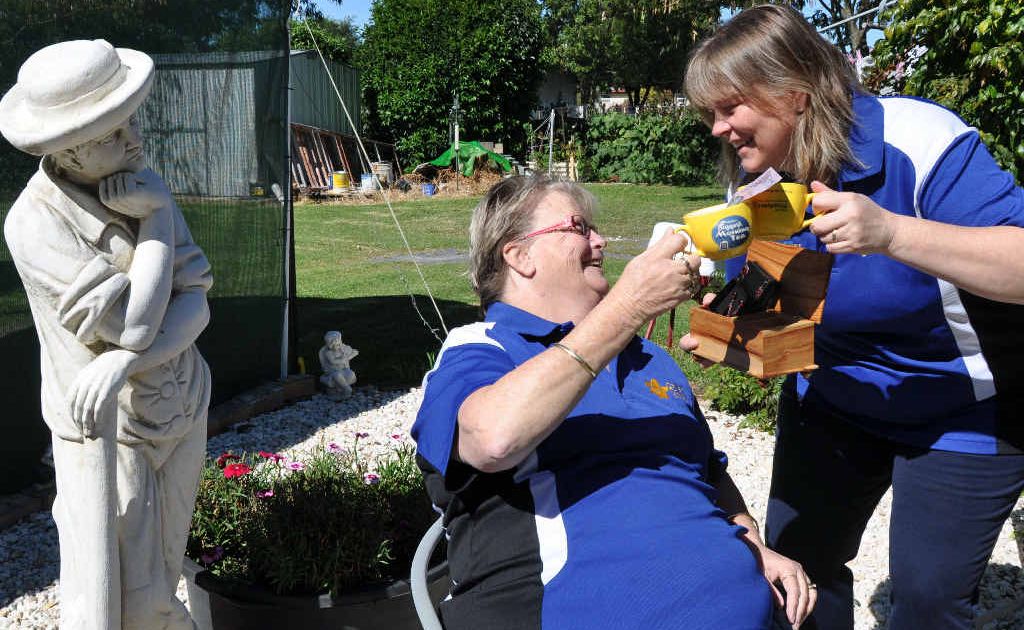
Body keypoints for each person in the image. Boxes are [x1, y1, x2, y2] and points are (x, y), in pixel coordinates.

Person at [680, 5, 1024, 629]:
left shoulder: (921, 141)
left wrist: (890, 231)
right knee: (796, 572)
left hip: (963, 407)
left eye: (730, 108)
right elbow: (780, 313)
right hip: (834, 399)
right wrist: (726, 325)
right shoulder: (756, 184)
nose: (717, 129)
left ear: (793, 91)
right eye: (711, 113)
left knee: (928, 599)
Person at [411, 175, 816, 629]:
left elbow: (707, 470)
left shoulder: (649, 360)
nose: (600, 241)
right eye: (579, 227)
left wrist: (753, 545)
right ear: (520, 255)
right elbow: (492, 439)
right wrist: (626, 309)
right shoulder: (482, 349)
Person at [1, 40, 212, 628]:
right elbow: (137, 324)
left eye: (131, 121)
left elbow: (195, 303)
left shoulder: (139, 179)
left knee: (160, 584)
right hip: (110, 431)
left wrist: (160, 210)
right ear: (67, 155)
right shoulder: (35, 223)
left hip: (183, 404)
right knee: (119, 599)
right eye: (112, 134)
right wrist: (157, 219)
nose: (134, 140)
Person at [319, 329, 359, 398]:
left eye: (339, 344)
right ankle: (347, 389)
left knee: (351, 374)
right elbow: (334, 362)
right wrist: (346, 358)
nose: (339, 346)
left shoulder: (342, 349)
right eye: (336, 345)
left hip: (344, 370)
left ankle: (342, 389)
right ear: (330, 345)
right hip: (333, 372)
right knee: (337, 375)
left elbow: (355, 351)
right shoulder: (328, 353)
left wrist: (352, 354)